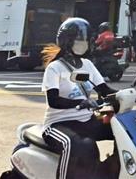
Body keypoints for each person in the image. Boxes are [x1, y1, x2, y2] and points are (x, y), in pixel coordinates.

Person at [41, 18, 117, 179]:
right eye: (79, 40)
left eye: (85, 40)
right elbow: (53, 101)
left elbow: (105, 90)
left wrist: (130, 93)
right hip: (59, 123)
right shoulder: (55, 68)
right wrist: (81, 102)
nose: (83, 44)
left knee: (121, 130)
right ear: (67, 42)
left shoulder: (87, 64)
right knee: (74, 144)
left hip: (86, 120)